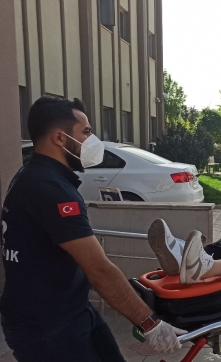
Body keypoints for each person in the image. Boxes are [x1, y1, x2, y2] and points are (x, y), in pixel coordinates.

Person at [0, 97, 185, 361]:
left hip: (70, 309)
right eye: (86, 132)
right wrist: (150, 324)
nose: (93, 140)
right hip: (47, 326)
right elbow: (99, 270)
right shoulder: (51, 190)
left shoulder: (31, 175)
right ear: (60, 138)